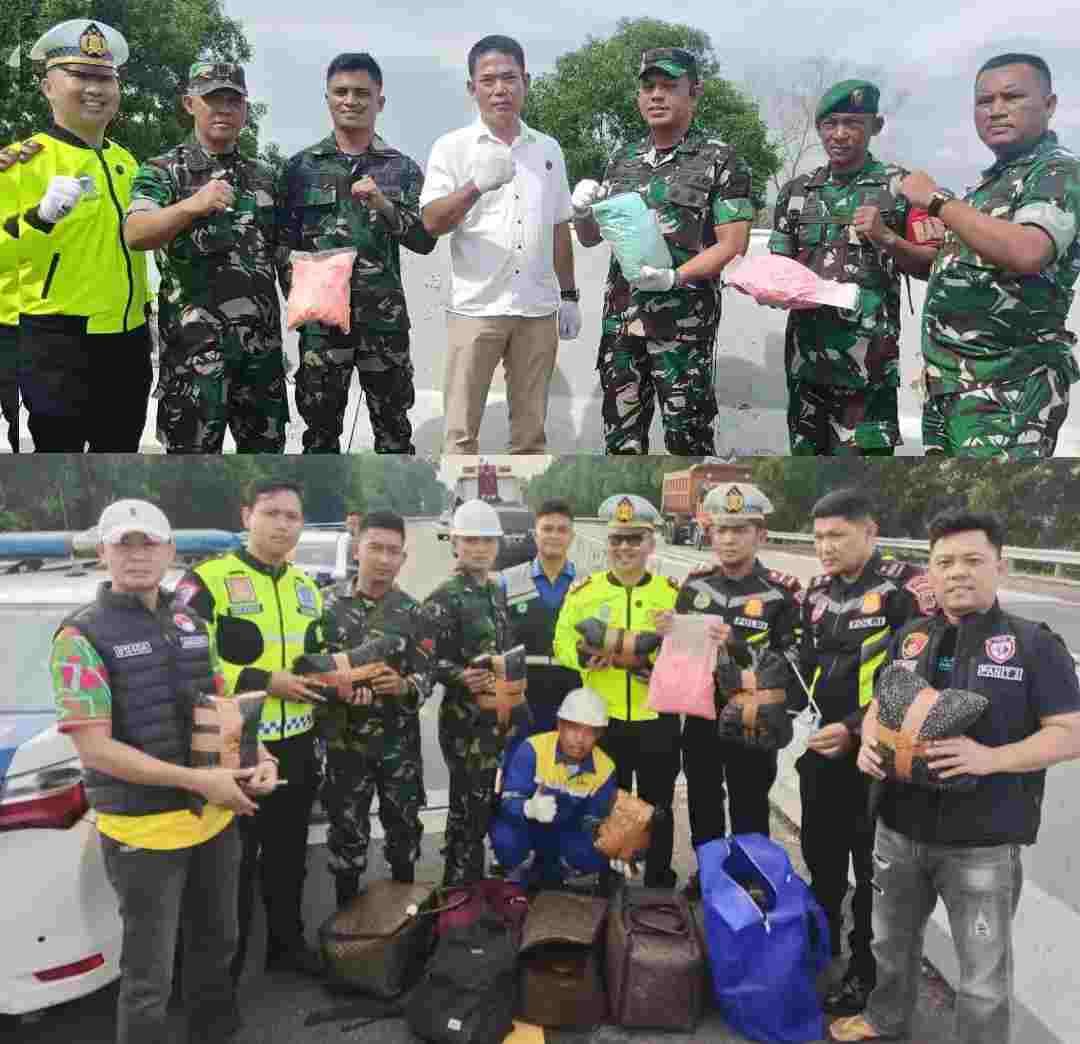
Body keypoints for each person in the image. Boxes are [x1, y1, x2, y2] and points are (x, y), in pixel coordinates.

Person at [829, 510, 1080, 1043]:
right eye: (945, 562)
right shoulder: (911, 637)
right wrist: (868, 745)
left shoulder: (1035, 646)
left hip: (982, 846)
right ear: (931, 572)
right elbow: (880, 704)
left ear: (1000, 567)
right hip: (897, 833)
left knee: (984, 978)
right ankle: (884, 1019)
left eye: (973, 560)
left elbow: (1070, 733)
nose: (958, 573)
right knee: (889, 947)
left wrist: (989, 758)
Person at [49, 499, 278, 1044]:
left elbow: (224, 703)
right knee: (149, 978)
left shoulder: (189, 621)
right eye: (123, 543)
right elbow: (96, 751)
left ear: (169, 551)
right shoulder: (80, 637)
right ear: (103, 552)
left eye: (148, 542)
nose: (136, 555)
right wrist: (200, 782)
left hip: (214, 822)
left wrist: (260, 757)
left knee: (217, 948)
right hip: (143, 835)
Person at [173, 480, 325, 979]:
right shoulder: (207, 580)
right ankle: (224, 969)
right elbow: (187, 661)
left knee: (288, 857)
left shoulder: (307, 587)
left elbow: (315, 659)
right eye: (272, 513)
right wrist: (265, 681)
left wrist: (340, 678)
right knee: (230, 865)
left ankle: (286, 947)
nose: (283, 524)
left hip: (298, 742)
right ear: (246, 516)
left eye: (293, 516)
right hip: (233, 744)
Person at [571, 47, 752, 455]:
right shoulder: (623, 159)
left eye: (669, 86)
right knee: (621, 444)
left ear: (695, 92)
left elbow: (733, 242)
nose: (656, 95)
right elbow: (589, 238)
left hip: (683, 334)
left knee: (688, 445)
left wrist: (676, 276)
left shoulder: (720, 160)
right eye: (648, 86)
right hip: (622, 327)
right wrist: (581, 212)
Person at [798, 489, 937, 1016]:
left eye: (836, 535)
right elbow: (800, 660)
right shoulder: (816, 591)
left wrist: (855, 730)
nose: (825, 547)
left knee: (871, 876)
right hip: (821, 752)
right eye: (818, 538)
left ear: (870, 532)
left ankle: (865, 975)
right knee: (822, 860)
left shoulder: (907, 590)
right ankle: (821, 948)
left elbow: (914, 680)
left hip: (877, 757)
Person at [900, 54, 1080, 458]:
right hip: (952, 390)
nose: (996, 110)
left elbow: (1028, 250)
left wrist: (936, 199)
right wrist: (888, 241)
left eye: (1012, 97)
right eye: (985, 101)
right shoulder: (988, 188)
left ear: (1049, 105)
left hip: (1008, 393)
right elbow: (957, 272)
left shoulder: (1057, 172)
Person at [420, 35, 580, 455]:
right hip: (476, 309)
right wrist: (475, 186)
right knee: (460, 435)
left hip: (536, 309)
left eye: (509, 78)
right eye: (487, 80)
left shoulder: (548, 149)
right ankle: (459, 513)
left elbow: (560, 225)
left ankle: (524, 513)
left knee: (531, 437)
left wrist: (570, 296)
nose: (500, 89)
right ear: (472, 88)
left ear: (526, 81)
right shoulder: (452, 147)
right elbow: (432, 222)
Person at [769, 79, 943, 456]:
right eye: (830, 124)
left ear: (874, 127)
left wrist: (886, 237)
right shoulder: (797, 192)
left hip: (870, 370)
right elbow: (778, 265)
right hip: (807, 367)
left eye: (853, 123)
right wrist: (769, 288)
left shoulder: (900, 188)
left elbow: (932, 265)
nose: (841, 134)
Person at [2, 19, 151, 451]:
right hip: (58, 340)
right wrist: (39, 217)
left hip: (128, 337)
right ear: (48, 87)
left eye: (105, 78)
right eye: (81, 76)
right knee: (60, 470)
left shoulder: (127, 162)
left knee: (118, 460)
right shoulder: (18, 163)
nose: (96, 88)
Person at [124, 61, 288, 453]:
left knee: (266, 479)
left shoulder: (264, 176)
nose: (224, 109)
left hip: (259, 361)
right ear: (189, 104)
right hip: (194, 363)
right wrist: (192, 206)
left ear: (245, 110)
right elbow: (135, 232)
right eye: (213, 99)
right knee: (191, 487)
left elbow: (281, 255)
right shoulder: (163, 171)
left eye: (234, 100)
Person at [278, 52, 435, 454]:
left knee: (395, 434)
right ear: (328, 98)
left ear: (380, 101)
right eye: (341, 92)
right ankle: (321, 514)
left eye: (362, 93)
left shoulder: (402, 169)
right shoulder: (300, 168)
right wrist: (304, 295)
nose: (351, 100)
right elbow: (281, 242)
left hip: (384, 325)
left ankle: (392, 517)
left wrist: (384, 205)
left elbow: (423, 239)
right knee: (319, 435)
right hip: (321, 326)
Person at [659, 482, 802, 899]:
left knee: (749, 800)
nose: (728, 539)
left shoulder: (782, 591)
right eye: (721, 529)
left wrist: (737, 645)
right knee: (703, 797)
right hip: (702, 713)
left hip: (753, 717)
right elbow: (683, 653)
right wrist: (668, 634)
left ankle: (750, 874)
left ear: (761, 535)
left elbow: (794, 659)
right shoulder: (696, 585)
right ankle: (709, 873)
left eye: (740, 529)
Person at [553, 493, 681, 888]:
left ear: (651, 543)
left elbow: (691, 655)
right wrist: (581, 657)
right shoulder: (584, 591)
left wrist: (657, 666)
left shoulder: (673, 593)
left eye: (634, 538)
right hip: (603, 718)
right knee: (608, 800)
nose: (624, 547)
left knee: (658, 802)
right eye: (617, 539)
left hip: (656, 716)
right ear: (606, 543)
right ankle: (611, 874)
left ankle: (659, 875)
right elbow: (559, 644)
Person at [315, 511, 435, 908]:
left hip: (398, 747)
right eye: (375, 548)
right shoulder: (325, 604)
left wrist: (404, 686)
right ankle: (347, 927)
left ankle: (405, 920)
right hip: (344, 747)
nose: (383, 559)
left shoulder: (415, 613)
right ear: (356, 548)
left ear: (403, 557)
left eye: (392, 551)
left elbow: (427, 677)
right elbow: (309, 669)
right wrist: (339, 692)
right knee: (346, 836)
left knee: (403, 832)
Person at [423, 498, 530, 885]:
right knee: (466, 809)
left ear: (498, 545)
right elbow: (425, 662)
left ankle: (472, 881)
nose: (480, 549)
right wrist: (459, 676)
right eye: (471, 540)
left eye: (487, 541)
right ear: (455, 543)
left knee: (482, 803)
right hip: (463, 724)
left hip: (494, 719)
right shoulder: (444, 597)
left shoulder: (496, 591)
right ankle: (458, 888)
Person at [490, 687, 616, 889]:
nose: (580, 739)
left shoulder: (605, 768)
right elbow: (507, 802)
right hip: (528, 827)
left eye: (589, 731)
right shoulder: (532, 749)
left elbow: (595, 819)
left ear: (599, 734)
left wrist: (615, 846)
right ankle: (517, 867)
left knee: (596, 854)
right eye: (574, 728)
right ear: (559, 725)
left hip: (569, 831)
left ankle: (566, 869)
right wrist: (529, 808)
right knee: (505, 837)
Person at [497, 497, 583, 735]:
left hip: (574, 698)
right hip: (524, 698)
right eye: (547, 529)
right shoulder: (508, 581)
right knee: (523, 768)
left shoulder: (589, 583)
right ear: (535, 535)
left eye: (562, 530)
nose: (554, 535)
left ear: (572, 537)